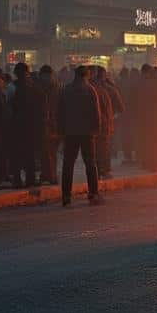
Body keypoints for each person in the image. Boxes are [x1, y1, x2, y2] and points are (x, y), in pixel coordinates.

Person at [58, 65, 104, 207]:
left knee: (68, 164)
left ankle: (66, 195)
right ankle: (93, 193)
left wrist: (61, 130)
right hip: (87, 132)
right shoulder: (90, 90)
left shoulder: (66, 90)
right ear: (87, 75)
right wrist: (97, 129)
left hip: (70, 132)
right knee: (90, 163)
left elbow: (60, 111)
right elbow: (96, 112)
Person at [8, 63, 47, 189]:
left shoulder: (11, 88)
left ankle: (17, 179)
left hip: (16, 126)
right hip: (31, 126)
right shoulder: (35, 88)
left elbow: (7, 108)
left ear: (16, 73)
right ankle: (30, 179)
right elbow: (42, 110)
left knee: (16, 154)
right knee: (30, 154)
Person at [91, 66, 124, 178]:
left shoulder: (91, 88)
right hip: (106, 124)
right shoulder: (110, 89)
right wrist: (112, 117)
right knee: (104, 148)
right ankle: (104, 169)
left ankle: (97, 169)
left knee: (96, 148)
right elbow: (121, 108)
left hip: (94, 125)